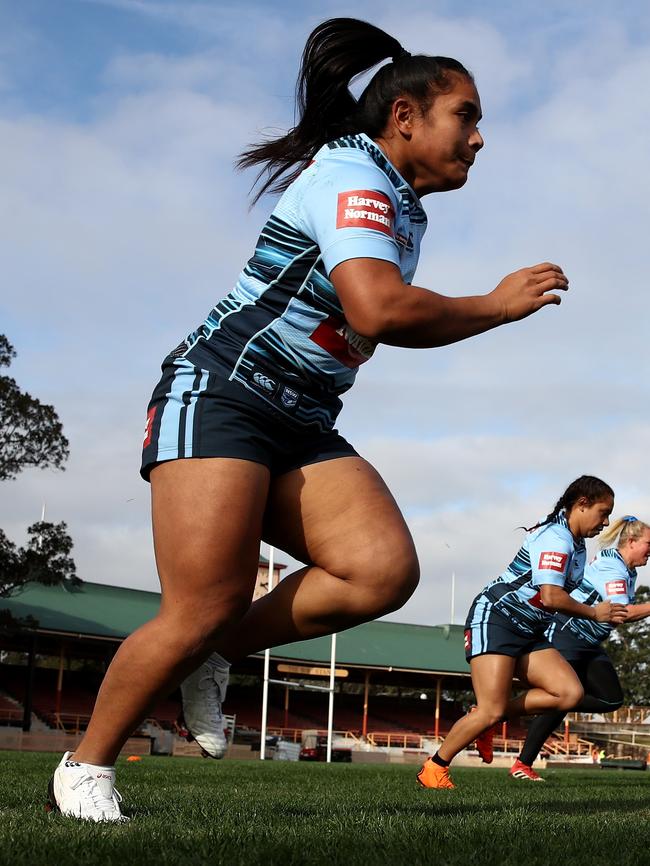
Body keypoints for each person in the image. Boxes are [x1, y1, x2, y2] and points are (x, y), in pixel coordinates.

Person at [46, 17, 570, 821]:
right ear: (405, 116)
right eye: (465, 115)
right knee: (201, 603)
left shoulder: (402, 205)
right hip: (223, 390)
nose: (479, 137)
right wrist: (494, 306)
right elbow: (378, 306)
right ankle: (85, 768)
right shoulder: (352, 176)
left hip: (302, 413)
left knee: (381, 570)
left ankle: (216, 655)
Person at [417, 475, 627, 789]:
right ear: (582, 504)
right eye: (603, 512)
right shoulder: (556, 537)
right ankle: (434, 768)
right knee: (492, 708)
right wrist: (594, 612)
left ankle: (490, 719)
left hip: (531, 629)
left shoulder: (578, 545)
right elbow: (551, 596)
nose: (606, 521)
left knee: (569, 693)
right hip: (497, 619)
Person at [509, 515, 650, 781]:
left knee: (611, 699)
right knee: (561, 699)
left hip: (589, 643)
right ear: (631, 542)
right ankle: (520, 760)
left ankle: (514, 713)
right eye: (648, 543)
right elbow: (622, 613)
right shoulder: (613, 567)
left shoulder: (627, 569)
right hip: (568, 635)